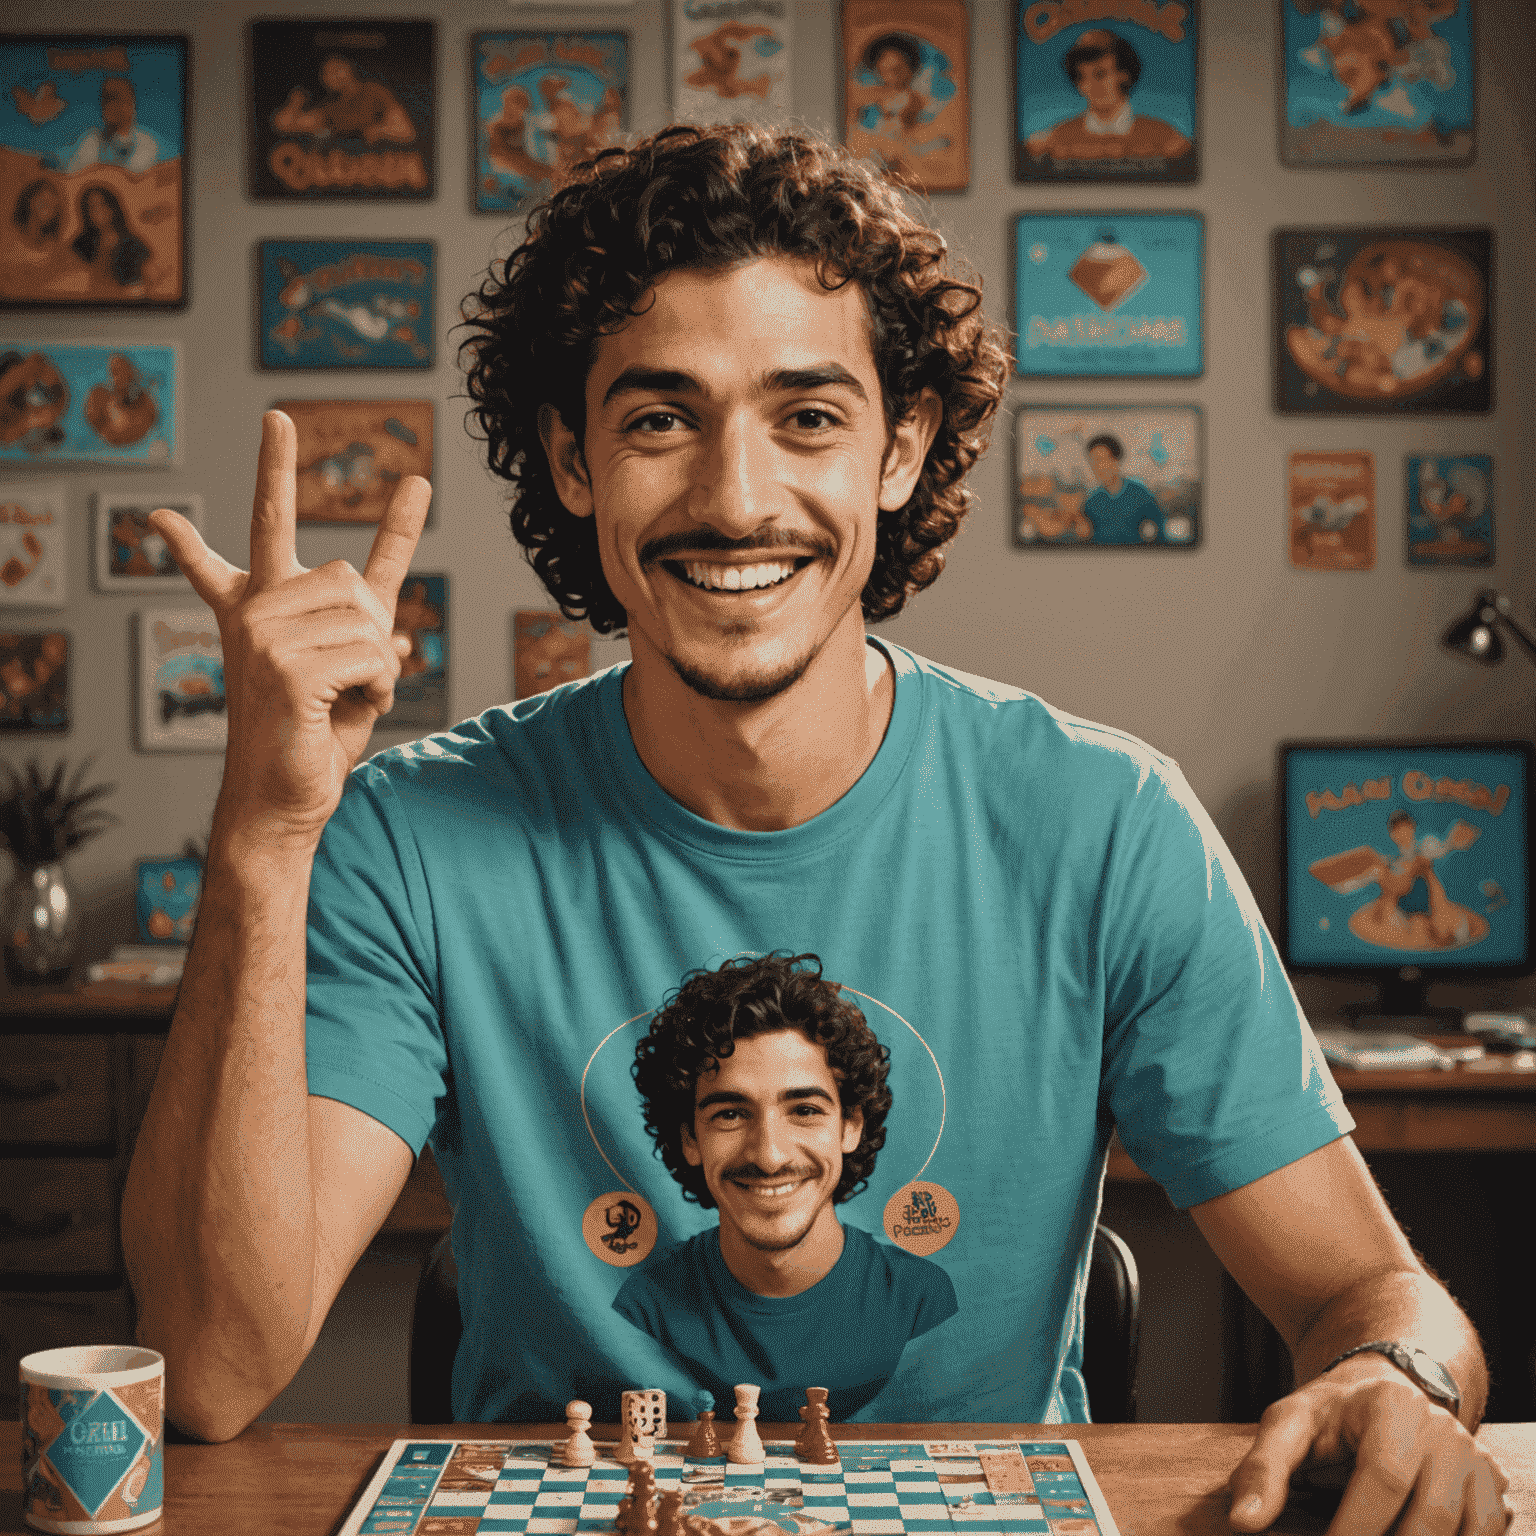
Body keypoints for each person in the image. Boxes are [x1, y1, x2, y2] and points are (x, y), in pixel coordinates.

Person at [123, 123, 1511, 1536]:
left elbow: (1370, 1295)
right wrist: (263, 827)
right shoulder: (410, 836)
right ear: (574, 458)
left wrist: (1398, 1374)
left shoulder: (1111, 825)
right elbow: (218, 1373)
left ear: (898, 451)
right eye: (661, 417)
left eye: (807, 417)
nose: (736, 497)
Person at [614, 953, 957, 1420]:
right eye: (730, 1114)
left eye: (805, 1110)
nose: (769, 1155)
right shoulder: (643, 1310)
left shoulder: (923, 1299)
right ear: (690, 1139)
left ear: (850, 1125)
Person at [1026, 29, 1191, 168]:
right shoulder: (1057, 138)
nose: (1091, 85)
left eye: (1100, 74)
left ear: (1124, 74)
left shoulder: (1164, 138)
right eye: (1082, 77)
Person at [272, 55, 415, 145]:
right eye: (328, 74)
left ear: (348, 69)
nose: (333, 77)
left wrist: (379, 130)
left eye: (337, 70)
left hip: (383, 164)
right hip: (345, 170)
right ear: (325, 81)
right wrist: (295, 103)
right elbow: (285, 125)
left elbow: (406, 132)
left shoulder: (373, 91)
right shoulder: (332, 108)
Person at [65, 76, 158, 174]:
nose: (110, 106)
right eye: (107, 100)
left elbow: (132, 178)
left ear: (131, 105)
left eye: (118, 100)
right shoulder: (93, 141)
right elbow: (72, 177)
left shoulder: (146, 143)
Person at [1083, 434, 1164, 544]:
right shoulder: (1092, 503)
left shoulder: (1140, 495)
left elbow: (1159, 531)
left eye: (1101, 460)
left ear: (1115, 462)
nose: (1097, 467)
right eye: (1092, 462)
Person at [70, 185, 151, 291]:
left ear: (113, 208)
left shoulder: (133, 246)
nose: (98, 210)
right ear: (87, 214)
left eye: (102, 204)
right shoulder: (82, 243)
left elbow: (141, 285)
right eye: (92, 207)